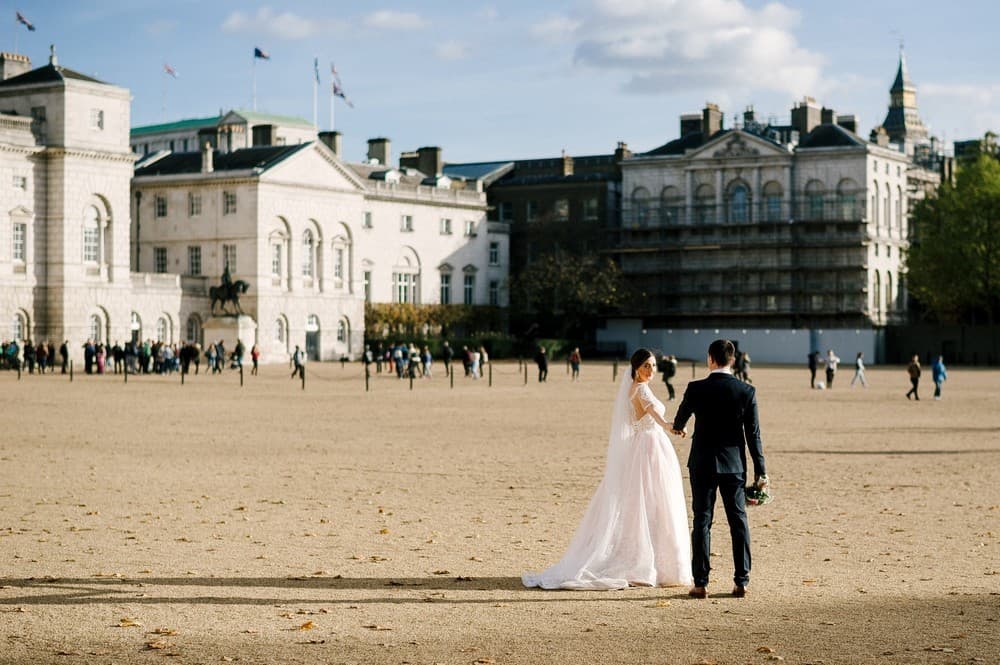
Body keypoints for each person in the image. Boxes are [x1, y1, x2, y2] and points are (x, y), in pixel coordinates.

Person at [522, 348, 692, 589]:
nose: (651, 371)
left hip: (641, 446)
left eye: (653, 366)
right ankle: (656, 563)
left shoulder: (633, 388)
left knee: (641, 501)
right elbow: (657, 419)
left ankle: (647, 556)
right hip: (650, 446)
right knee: (655, 500)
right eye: (646, 366)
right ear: (636, 367)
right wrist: (675, 427)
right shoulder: (641, 389)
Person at [671, 339, 767, 599]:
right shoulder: (746, 391)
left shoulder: (695, 388)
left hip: (702, 462)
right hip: (733, 464)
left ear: (710, 359)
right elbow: (753, 435)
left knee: (702, 520)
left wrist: (679, 427)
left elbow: (680, 418)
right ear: (732, 360)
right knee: (738, 521)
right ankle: (741, 581)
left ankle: (700, 582)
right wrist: (761, 471)